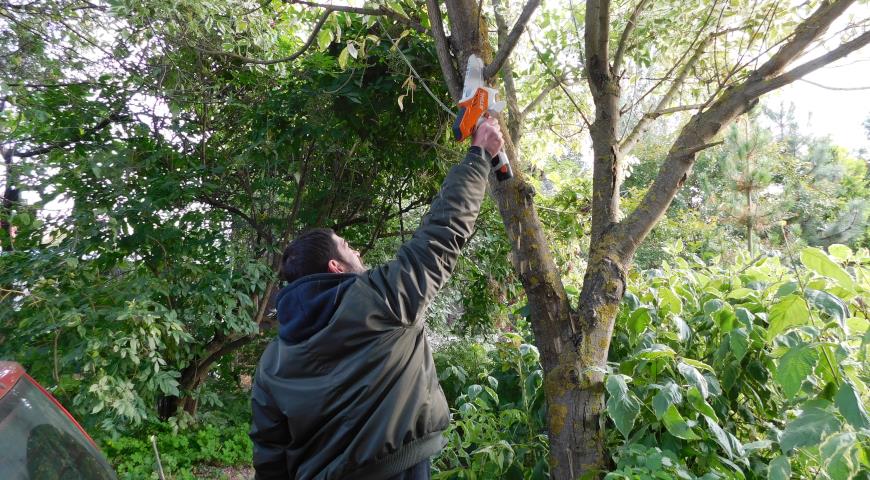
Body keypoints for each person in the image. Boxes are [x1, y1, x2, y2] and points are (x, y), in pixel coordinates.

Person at [249, 118, 504, 480]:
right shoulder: (380, 298)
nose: (357, 253)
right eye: (347, 246)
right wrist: (479, 155)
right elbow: (441, 233)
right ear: (335, 266)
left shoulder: (272, 363)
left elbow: (269, 453)